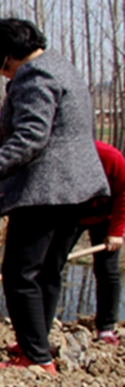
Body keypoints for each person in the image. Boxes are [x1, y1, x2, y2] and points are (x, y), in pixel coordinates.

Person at [0, 18, 109, 376]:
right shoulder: (62, 67)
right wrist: (0, 148)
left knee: (19, 273)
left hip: (46, 191)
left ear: (7, 56)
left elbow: (33, 136)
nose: (2, 75)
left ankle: (35, 357)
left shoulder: (34, 75)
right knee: (47, 271)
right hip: (76, 189)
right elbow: (55, 130)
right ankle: (35, 342)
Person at [71, 141, 125, 344]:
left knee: (107, 271)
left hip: (106, 218)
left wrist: (116, 232)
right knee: (51, 267)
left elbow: (124, 193)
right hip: (69, 218)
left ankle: (106, 328)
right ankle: (41, 328)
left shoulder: (111, 158)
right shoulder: (67, 156)